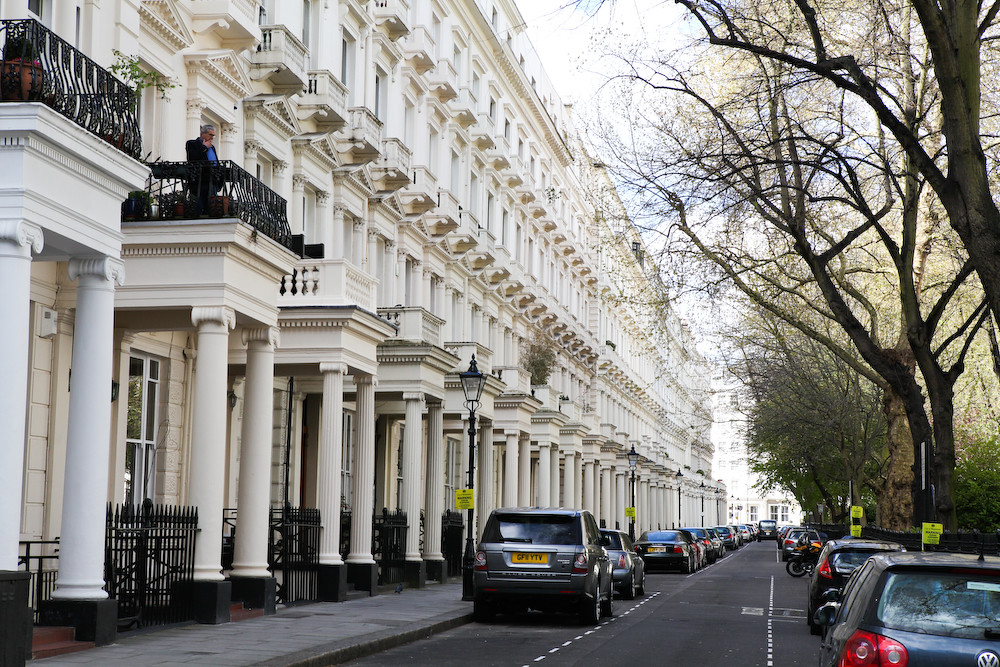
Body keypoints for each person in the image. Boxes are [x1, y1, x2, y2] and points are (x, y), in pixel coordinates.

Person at [185, 124, 220, 215]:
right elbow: (192, 158)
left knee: (210, 207)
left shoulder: (212, 147)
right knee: (199, 207)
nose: (212, 138)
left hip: (212, 181)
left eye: (213, 135)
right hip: (199, 181)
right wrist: (204, 147)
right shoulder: (192, 143)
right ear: (202, 133)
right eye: (210, 135)